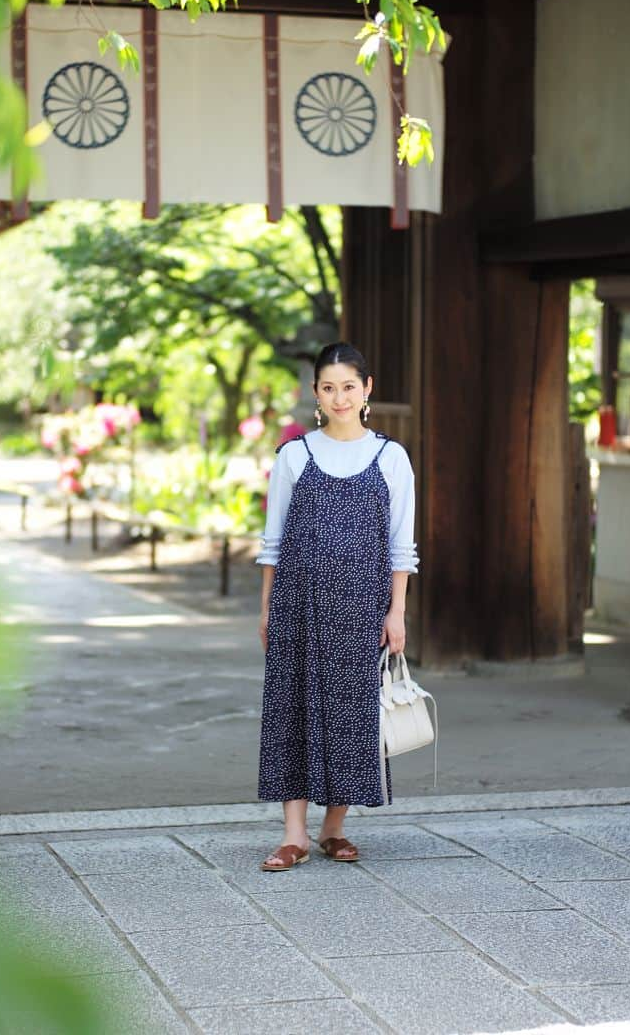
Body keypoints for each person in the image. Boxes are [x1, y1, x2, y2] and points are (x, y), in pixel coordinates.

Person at [256, 342, 418, 870]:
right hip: (297, 606)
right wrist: (266, 610)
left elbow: (401, 547)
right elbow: (272, 541)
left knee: (351, 715)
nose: (340, 397)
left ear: (367, 389)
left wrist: (396, 613)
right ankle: (293, 833)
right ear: (316, 395)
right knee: (292, 711)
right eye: (329, 388)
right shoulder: (294, 456)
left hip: (362, 609)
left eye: (350, 386)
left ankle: (334, 826)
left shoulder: (391, 457)